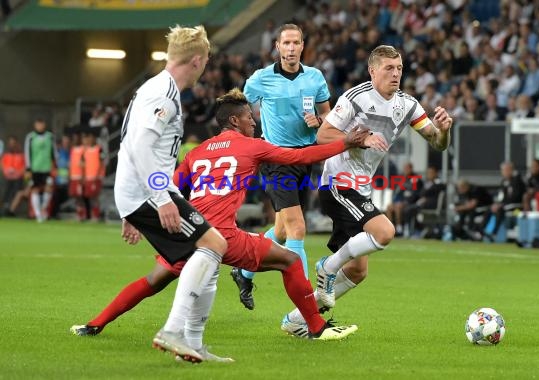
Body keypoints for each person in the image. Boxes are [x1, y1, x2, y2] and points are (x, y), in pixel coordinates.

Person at [70, 88, 367, 341]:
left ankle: (94, 324)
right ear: (235, 120)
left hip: (190, 233)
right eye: (251, 117)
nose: (254, 122)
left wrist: (132, 215)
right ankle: (315, 327)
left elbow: (168, 188)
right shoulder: (252, 147)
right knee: (289, 261)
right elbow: (300, 157)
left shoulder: (197, 152)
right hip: (222, 235)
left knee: (154, 279)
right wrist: (345, 143)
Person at [281, 45, 453, 336]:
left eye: (399, 68)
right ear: (372, 70)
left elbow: (437, 142)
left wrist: (444, 130)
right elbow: (323, 135)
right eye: (389, 68)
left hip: (360, 190)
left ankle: (297, 320)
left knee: (359, 271)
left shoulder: (407, 105)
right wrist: (360, 139)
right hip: (336, 183)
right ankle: (328, 267)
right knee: (384, 232)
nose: (396, 74)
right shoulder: (356, 97)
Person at [100, 25, 230, 363]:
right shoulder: (162, 94)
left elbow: (131, 146)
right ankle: (174, 332)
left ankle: (192, 344)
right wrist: (158, 200)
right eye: (206, 61)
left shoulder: (160, 88)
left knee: (206, 256)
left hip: (143, 191)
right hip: (149, 192)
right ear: (198, 60)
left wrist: (132, 211)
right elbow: (140, 147)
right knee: (214, 245)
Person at [232, 23, 332, 310]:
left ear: (303, 46)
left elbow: (327, 113)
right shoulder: (260, 79)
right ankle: (309, 305)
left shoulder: (315, 77)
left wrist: (319, 121)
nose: (290, 48)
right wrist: (247, 142)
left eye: (295, 43)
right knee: (298, 229)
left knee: (282, 231)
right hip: (276, 159)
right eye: (285, 43)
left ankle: (244, 271)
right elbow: (241, 111)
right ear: (277, 46)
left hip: (305, 158)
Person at [24, 118, 57, 222]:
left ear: (44, 125)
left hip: (47, 167)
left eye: (41, 124)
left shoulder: (50, 136)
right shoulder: (30, 137)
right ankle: (38, 215)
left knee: (48, 189)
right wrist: (28, 168)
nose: (40, 126)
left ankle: (43, 209)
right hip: (35, 168)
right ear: (35, 125)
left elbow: (54, 151)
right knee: (35, 190)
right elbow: (27, 152)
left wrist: (55, 165)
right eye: (38, 124)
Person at [483, 162, 526, 240]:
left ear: (511, 170)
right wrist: (497, 204)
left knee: (500, 210)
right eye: (503, 170)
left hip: (517, 209)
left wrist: (501, 205)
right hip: (506, 206)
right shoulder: (504, 182)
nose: (504, 172)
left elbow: (516, 197)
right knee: (489, 209)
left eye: (506, 170)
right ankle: (482, 231)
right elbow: (501, 196)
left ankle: (494, 233)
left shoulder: (517, 181)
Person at [385, 162, 424, 237]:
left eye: (407, 168)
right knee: (389, 207)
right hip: (400, 201)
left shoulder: (416, 179)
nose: (405, 170)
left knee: (398, 206)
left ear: (411, 169)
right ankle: (391, 228)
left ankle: (399, 228)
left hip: (410, 202)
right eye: (404, 168)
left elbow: (416, 193)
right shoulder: (401, 179)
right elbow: (398, 192)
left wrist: (407, 199)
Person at [1, 136, 25, 216]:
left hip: (18, 179)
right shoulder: (6, 155)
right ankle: (3, 210)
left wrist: (18, 173)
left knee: (17, 194)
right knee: (5, 195)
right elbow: (2, 165)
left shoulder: (21, 155)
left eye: (13, 143)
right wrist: (6, 172)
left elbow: (24, 167)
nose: (12, 145)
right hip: (7, 178)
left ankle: (11, 211)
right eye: (10, 143)